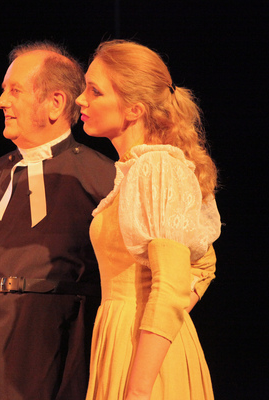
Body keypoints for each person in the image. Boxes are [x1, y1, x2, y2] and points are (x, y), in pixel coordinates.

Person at [0, 41, 116, 400]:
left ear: (55, 103)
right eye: (3, 90)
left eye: (15, 90)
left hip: (59, 345)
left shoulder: (103, 179)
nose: (0, 102)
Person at [75, 39, 222, 400]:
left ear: (134, 109)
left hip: (145, 358)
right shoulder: (138, 170)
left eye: (95, 91)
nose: (81, 99)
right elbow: (203, 266)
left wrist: (140, 388)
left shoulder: (155, 169)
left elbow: (173, 284)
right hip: (130, 338)